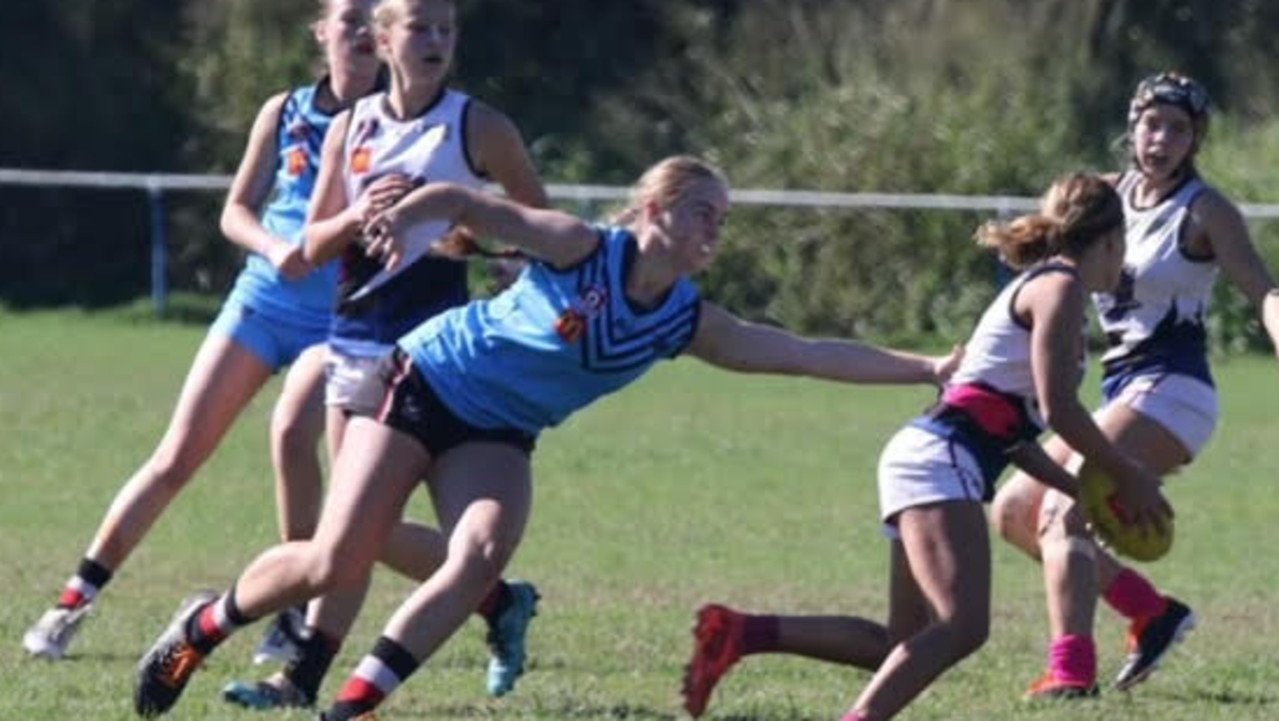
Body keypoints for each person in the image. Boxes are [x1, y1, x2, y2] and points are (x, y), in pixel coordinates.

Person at [129, 154, 964, 719]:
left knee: (482, 551)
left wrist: (926, 365)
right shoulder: (579, 246)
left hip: (498, 429)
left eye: (722, 218)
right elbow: (465, 203)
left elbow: (804, 354)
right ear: (654, 210)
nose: (716, 229)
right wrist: (406, 215)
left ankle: (352, 703)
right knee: (335, 559)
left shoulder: (682, 319)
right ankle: (203, 623)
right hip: (423, 383)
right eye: (702, 212)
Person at [680, 173, 1172, 721]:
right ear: (1108, 241)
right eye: (1122, 248)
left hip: (932, 454)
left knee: (901, 644)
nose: (1121, 264)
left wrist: (1086, 493)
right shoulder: (1059, 287)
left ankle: (738, 634)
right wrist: (1125, 471)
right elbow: (1060, 410)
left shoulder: (1050, 286)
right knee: (962, 627)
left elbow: (1013, 434)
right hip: (941, 460)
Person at [21, 0, 383, 663]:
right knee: (177, 454)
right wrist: (276, 250)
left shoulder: (398, 122)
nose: (362, 32)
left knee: (295, 439)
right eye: (350, 18)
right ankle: (72, 601)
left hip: (341, 316)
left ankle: (294, 615)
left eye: (374, 21)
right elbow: (237, 210)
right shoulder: (284, 111)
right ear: (321, 32)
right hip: (264, 300)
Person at [219, 0, 550, 708]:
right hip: (354, 339)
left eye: (446, 29)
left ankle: (306, 673)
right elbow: (309, 249)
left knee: (360, 529)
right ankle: (492, 602)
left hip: (436, 360)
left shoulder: (479, 126)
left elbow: (540, 226)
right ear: (385, 38)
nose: (435, 41)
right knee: (352, 527)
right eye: (420, 28)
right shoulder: (350, 127)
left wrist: (496, 249)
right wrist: (365, 210)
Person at [989, 72, 1279, 699]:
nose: (1163, 138)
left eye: (1180, 129)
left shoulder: (1205, 210)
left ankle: (1070, 671)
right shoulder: (1104, 198)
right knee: (1014, 512)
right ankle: (1150, 612)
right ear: (1132, 123)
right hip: (1120, 389)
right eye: (1153, 123)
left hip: (1175, 389)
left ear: (1196, 139)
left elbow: (1264, 291)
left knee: (1065, 511)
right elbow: (1046, 268)